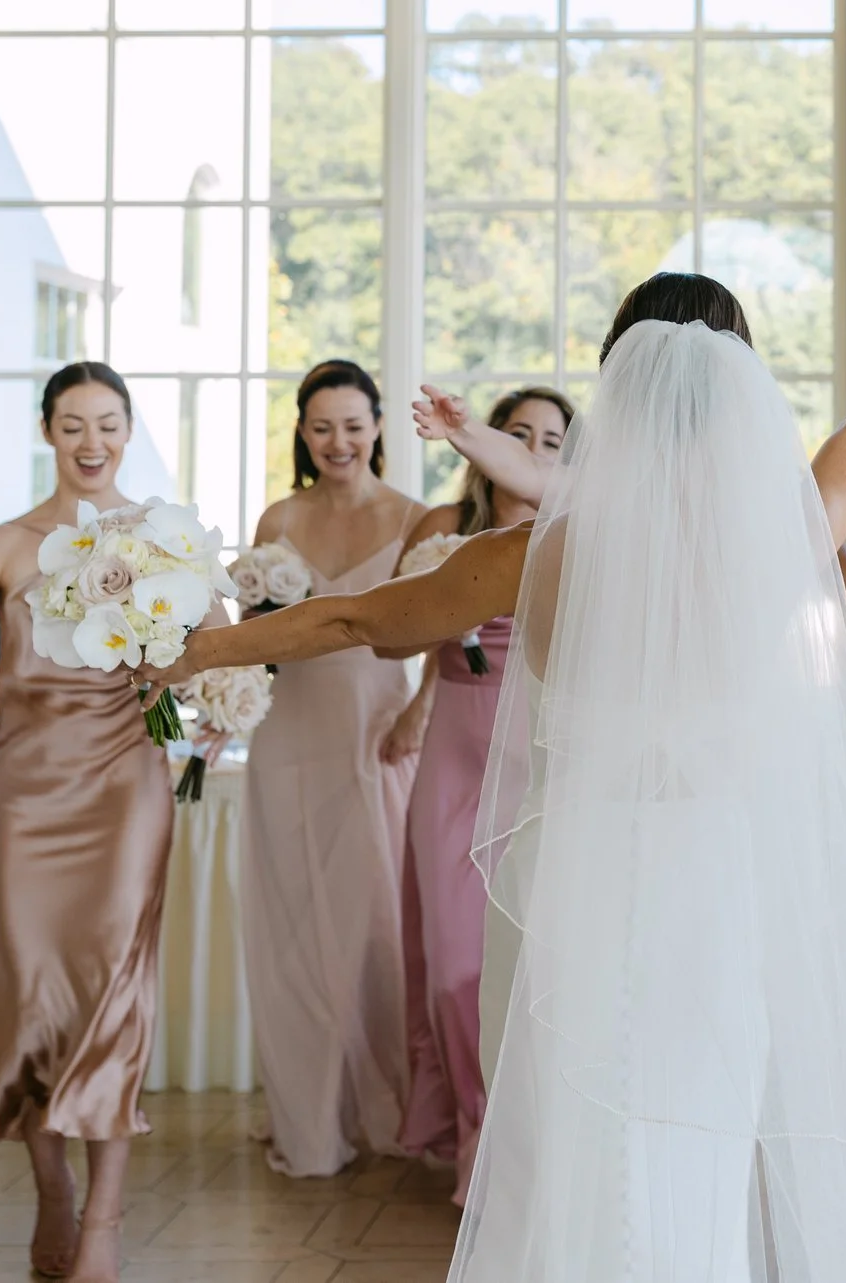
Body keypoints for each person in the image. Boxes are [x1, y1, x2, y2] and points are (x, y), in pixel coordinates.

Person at [142, 261, 846, 1282]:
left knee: (575, 1135)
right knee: (702, 1130)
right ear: (742, 393)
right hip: (720, 880)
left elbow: (358, 618)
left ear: (614, 385)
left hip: (579, 881)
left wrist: (196, 651)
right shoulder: (795, 531)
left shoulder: (534, 553)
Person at [0, 362, 207, 1283]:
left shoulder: (165, 537)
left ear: (129, 429)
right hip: (24, 792)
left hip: (127, 786)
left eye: (108, 423)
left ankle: (107, 1222)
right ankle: (51, 1188)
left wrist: (216, 691)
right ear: (46, 430)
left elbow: (213, 651)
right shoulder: (1, 544)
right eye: (73, 423)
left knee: (114, 986)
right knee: (33, 990)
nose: (92, 442)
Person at [385, 387, 575, 1205]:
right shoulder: (440, 532)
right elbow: (397, 633)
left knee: (525, 959)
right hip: (456, 746)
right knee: (453, 964)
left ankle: (515, 1143)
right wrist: (420, 701)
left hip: (536, 747)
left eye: (553, 439)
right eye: (520, 433)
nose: (534, 448)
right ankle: (473, 1130)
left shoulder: (573, 537)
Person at [238, 358, 428, 1176]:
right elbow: (255, 638)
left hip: (374, 732)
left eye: (353, 424)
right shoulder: (278, 516)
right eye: (322, 426)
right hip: (289, 735)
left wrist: (417, 717)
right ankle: (308, 1120)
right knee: (293, 931)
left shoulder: (418, 519)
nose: (338, 441)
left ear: (378, 426)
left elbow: (429, 635)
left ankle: (387, 1109)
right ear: (302, 433)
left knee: (372, 930)